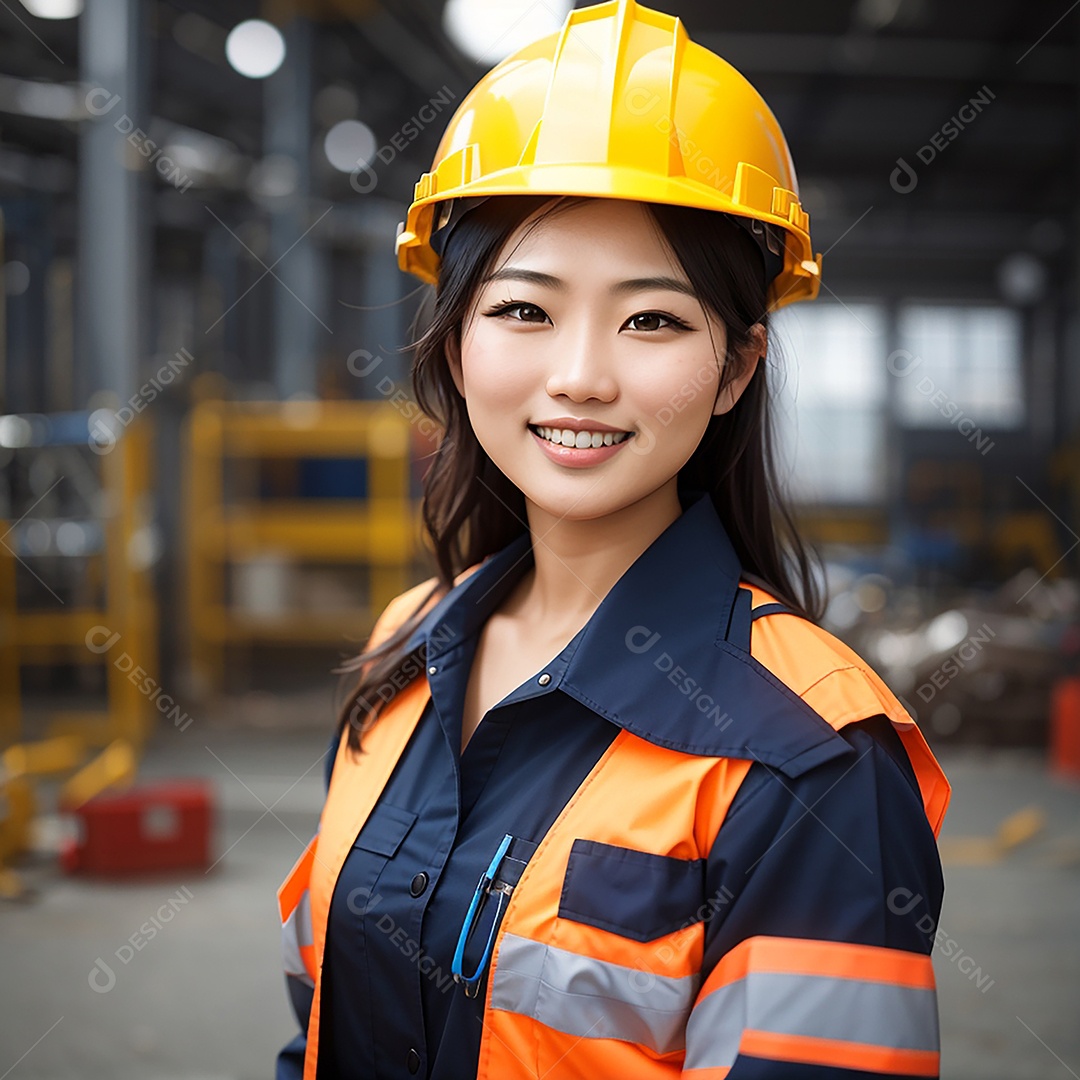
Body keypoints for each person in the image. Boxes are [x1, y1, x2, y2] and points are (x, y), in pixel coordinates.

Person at [275, 1, 951, 1077]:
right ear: (454, 344)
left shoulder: (809, 759)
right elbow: (319, 1022)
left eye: (651, 319)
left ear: (736, 367)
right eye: (525, 310)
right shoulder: (409, 649)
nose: (581, 374)